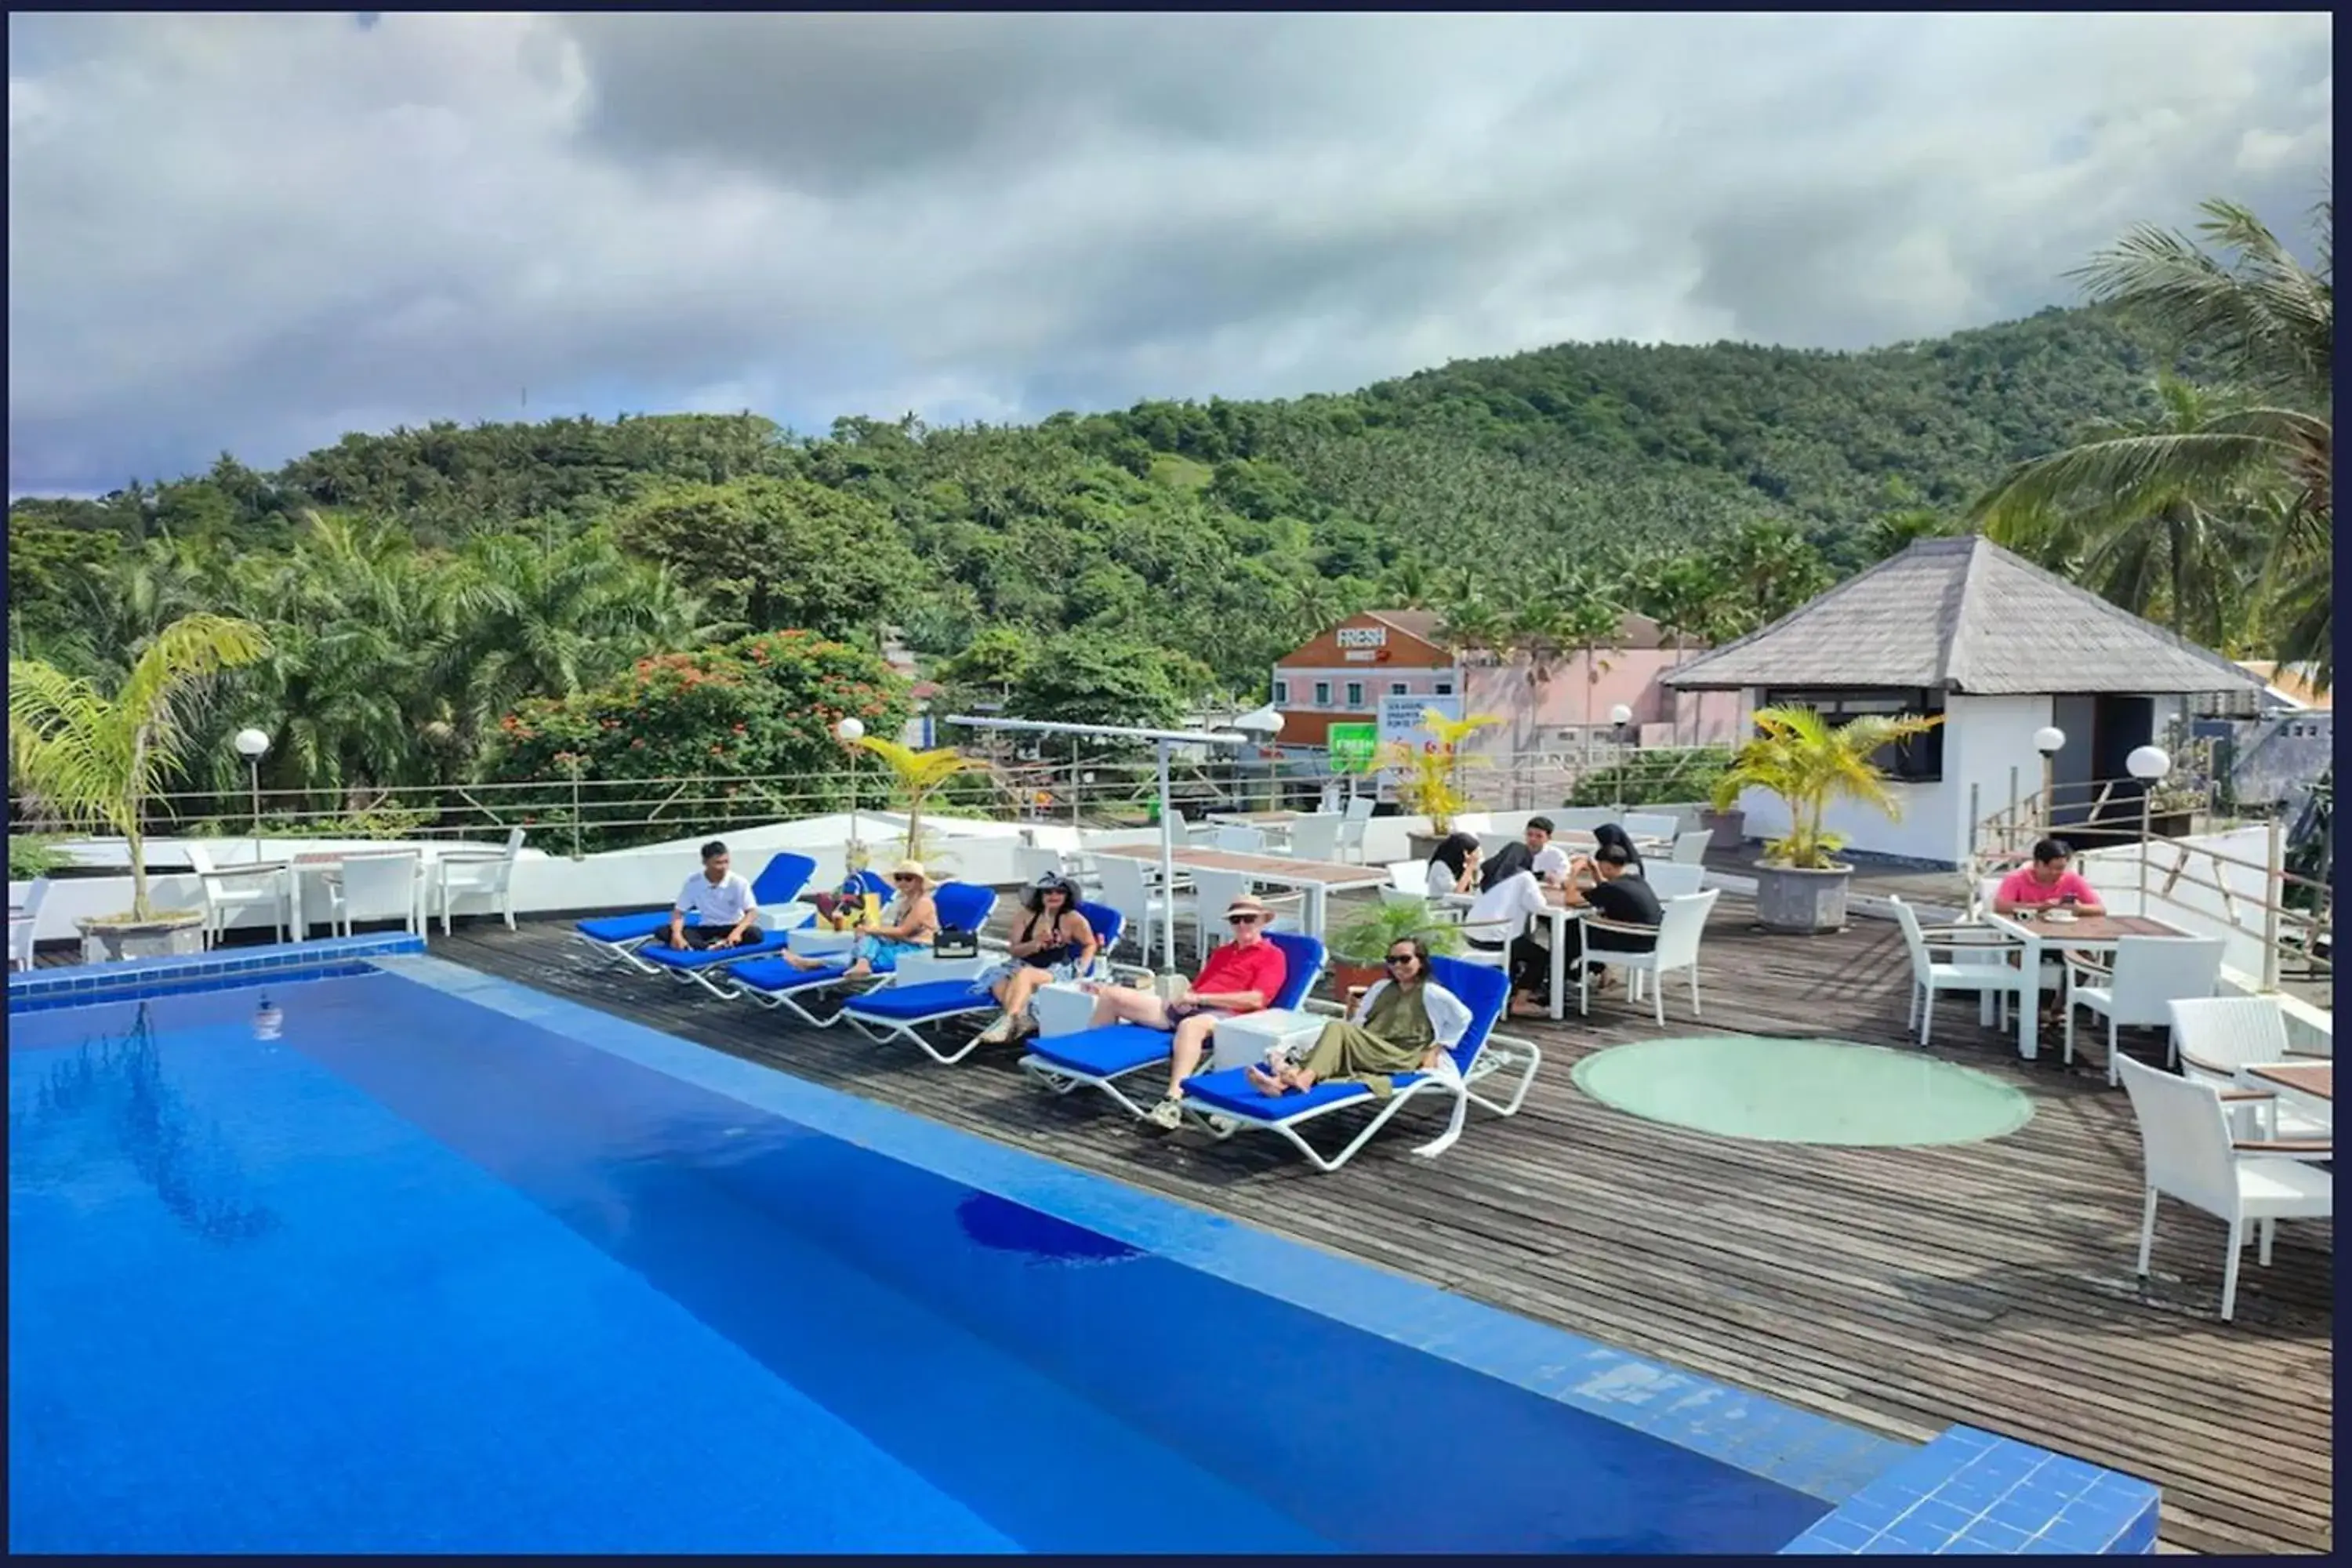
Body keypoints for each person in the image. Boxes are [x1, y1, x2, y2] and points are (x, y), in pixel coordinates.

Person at [1083, 894, 1289, 1132]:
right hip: (1194, 1006)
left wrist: (1201, 998)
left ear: (1262, 921)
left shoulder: (1272, 955)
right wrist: (1185, 998)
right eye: (1237, 920)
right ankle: (1088, 1062)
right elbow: (1199, 985)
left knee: (1190, 1027)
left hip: (1231, 1015)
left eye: (1249, 919)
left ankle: (1173, 1100)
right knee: (1111, 995)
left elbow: (1257, 999)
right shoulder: (1222, 953)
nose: (1242, 925)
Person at [1247, 937, 1472, 1098]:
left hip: (1400, 1055)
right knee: (1337, 1035)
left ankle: (1301, 1078)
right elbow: (1360, 1022)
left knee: (1337, 1029)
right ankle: (1280, 1084)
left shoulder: (1431, 993)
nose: (1397, 966)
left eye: (1405, 959)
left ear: (1421, 961)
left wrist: (1435, 1050)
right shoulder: (1381, 987)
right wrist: (1352, 1013)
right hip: (1371, 1047)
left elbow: (1463, 1017)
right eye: (1391, 960)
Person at [973, 873, 1099, 1045]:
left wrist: (1082, 968)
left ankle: (1007, 1021)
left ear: (1067, 895)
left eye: (1059, 892)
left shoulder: (1073, 919)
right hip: (1023, 963)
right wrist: (1035, 944)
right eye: (1048, 892)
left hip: (1056, 970)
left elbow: (1090, 944)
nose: (1053, 896)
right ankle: (1023, 1018)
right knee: (999, 981)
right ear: (1040, 895)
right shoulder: (1025, 916)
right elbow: (1014, 950)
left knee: (1025, 975)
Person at [783, 858, 938, 978]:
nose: (903, 882)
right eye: (899, 878)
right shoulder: (905, 902)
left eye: (908, 878)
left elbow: (904, 931)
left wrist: (871, 930)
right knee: (868, 941)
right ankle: (859, 963)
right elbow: (895, 932)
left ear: (918, 881)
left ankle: (816, 963)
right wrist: (870, 930)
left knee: (863, 947)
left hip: (918, 951)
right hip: (901, 945)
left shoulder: (923, 903)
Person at [1558, 843, 1664, 992]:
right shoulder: (1635, 880)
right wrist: (1595, 871)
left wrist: (1574, 872)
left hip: (1634, 941)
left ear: (1607, 866)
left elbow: (1569, 899)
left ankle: (1559, 979)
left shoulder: (1611, 888)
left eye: (1600, 865)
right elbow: (1606, 891)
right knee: (1584, 930)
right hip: (1652, 939)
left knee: (1572, 930)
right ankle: (1587, 972)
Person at [1461, 861, 1555, 1017]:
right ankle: (1521, 1002)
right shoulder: (1524, 876)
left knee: (1520, 946)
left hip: (1471, 938)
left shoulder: (1490, 874)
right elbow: (1539, 906)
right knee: (1540, 956)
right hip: (1498, 941)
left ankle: (1512, 991)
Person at [652, 840, 759, 950]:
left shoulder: (738, 882)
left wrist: (737, 932)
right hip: (707, 928)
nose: (723, 867)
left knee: (755, 934)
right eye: (718, 863)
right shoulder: (694, 882)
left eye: (726, 862)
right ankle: (712, 946)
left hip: (732, 926)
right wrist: (677, 935)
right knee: (662, 931)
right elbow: (679, 912)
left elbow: (752, 912)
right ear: (705, 862)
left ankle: (708, 945)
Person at [1994, 838, 2105, 916]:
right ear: (2037, 863)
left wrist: (2080, 909)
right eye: (2050, 868)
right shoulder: (2016, 878)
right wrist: (2041, 907)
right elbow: (2001, 906)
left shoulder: (2072, 879)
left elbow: (2100, 909)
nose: (2055, 873)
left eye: (2060, 868)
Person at [1485, 816, 1573, 891]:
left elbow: (1562, 879)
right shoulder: (1514, 853)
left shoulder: (1557, 856)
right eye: (1530, 834)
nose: (1533, 839)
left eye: (1539, 836)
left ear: (1549, 838)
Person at [1424, 831, 1482, 898]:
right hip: (1441, 906)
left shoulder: (1460, 866)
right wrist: (1470, 867)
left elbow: (1471, 891)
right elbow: (1456, 894)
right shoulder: (1440, 866)